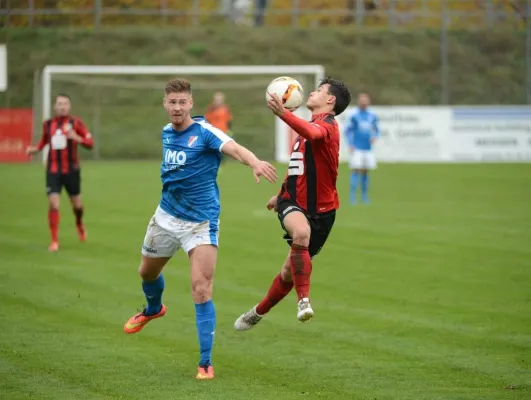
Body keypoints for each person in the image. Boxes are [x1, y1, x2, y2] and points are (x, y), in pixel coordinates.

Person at [122, 78, 277, 380]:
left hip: (201, 223)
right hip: (165, 217)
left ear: (191, 103)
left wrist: (255, 162)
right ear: (165, 105)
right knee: (146, 273)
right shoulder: (167, 132)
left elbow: (233, 147)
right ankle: (154, 308)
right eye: (172, 102)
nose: (177, 107)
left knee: (201, 289)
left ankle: (205, 362)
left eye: (182, 102)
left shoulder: (205, 132)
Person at [234, 77, 351, 331]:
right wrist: (281, 194)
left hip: (324, 211)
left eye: (319, 90)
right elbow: (297, 169)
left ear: (330, 100)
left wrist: (283, 115)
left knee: (288, 273)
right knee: (301, 232)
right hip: (294, 202)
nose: (313, 92)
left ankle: (258, 311)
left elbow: (312, 133)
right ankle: (304, 301)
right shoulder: (307, 129)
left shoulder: (327, 126)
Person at [26, 94, 94, 252]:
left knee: (77, 206)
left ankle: (79, 224)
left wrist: (76, 137)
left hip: (72, 171)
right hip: (53, 171)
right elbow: (43, 142)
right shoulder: (48, 124)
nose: (62, 106)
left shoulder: (76, 123)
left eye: (65, 103)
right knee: (53, 204)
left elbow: (90, 143)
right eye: (59, 103)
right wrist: (34, 149)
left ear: (69, 107)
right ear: (55, 107)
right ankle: (54, 240)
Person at [344, 92, 380, 204]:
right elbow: (348, 130)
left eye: (366, 100)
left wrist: (375, 137)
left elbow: (377, 130)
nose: (364, 102)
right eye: (362, 100)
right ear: (359, 102)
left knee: (365, 172)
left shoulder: (372, 116)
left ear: (368, 102)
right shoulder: (354, 115)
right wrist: (350, 144)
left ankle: (364, 196)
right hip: (357, 148)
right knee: (355, 170)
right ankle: (352, 197)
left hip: (368, 148)